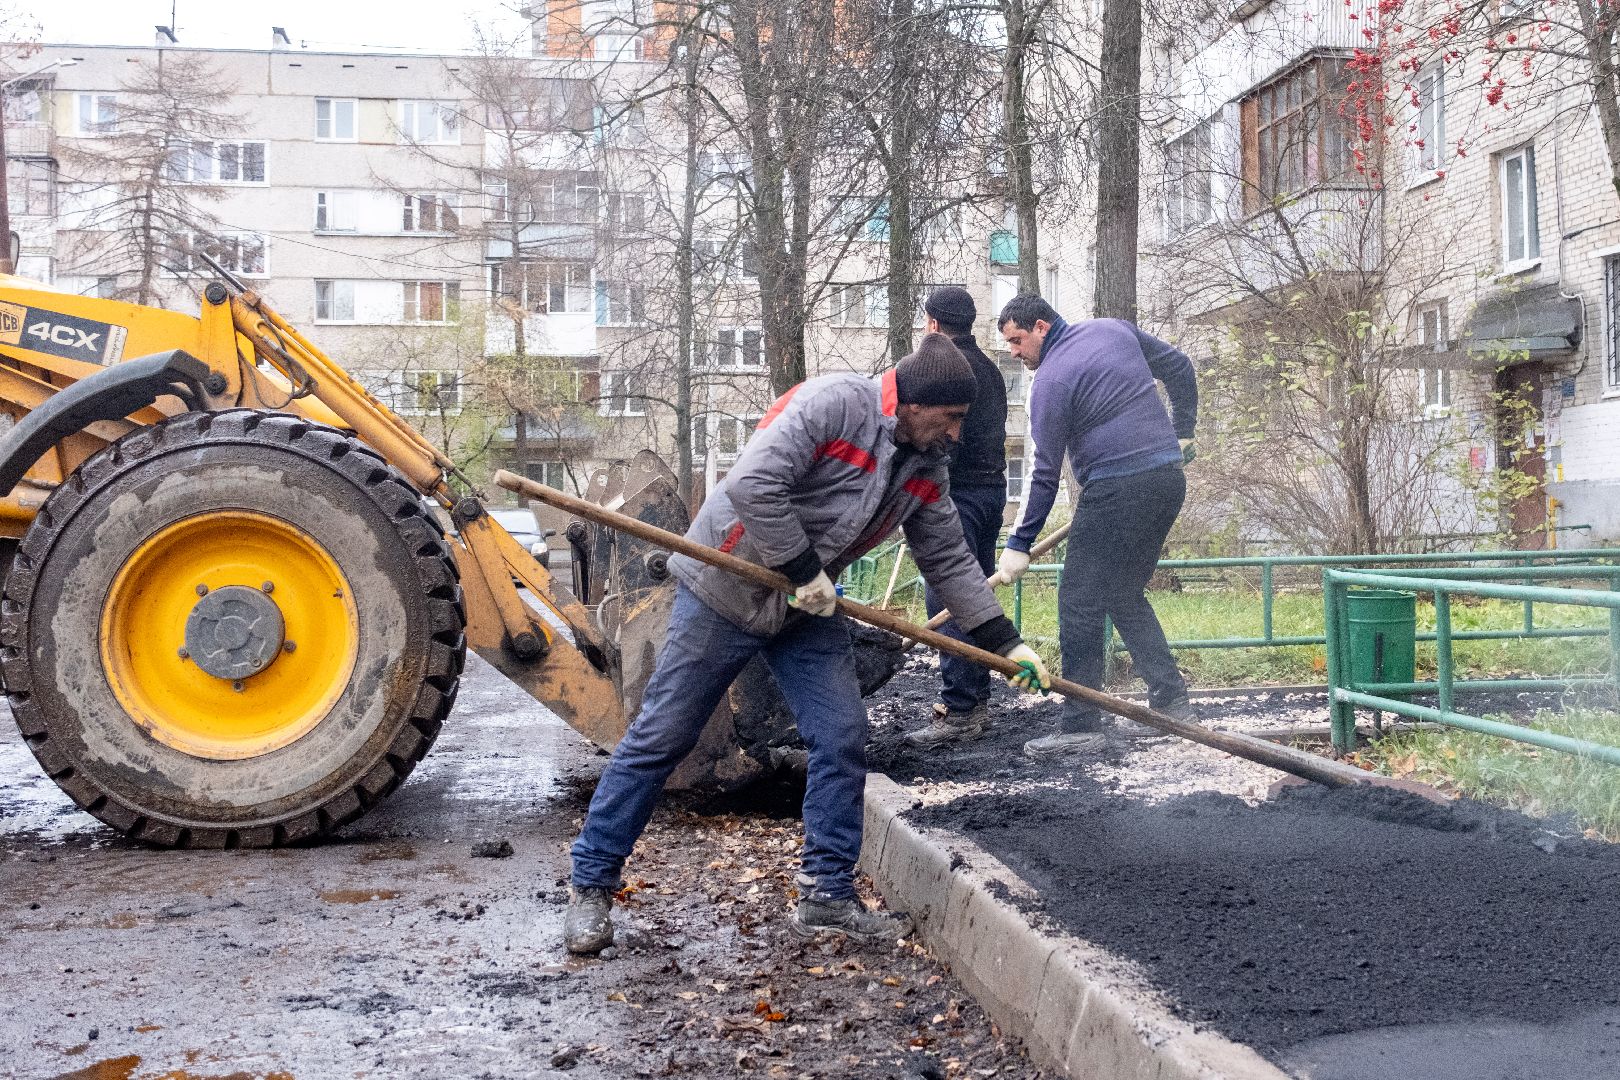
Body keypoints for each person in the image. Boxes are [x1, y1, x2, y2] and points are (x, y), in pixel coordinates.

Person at [564, 333, 1052, 955]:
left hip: (805, 607)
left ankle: (826, 893)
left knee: (842, 736)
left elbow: (950, 559)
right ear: (914, 401)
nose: (956, 433)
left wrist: (1007, 645)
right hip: (727, 585)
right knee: (662, 736)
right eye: (952, 418)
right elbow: (754, 486)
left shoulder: (925, 467)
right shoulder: (834, 405)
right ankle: (591, 886)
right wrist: (802, 570)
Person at [994, 294, 1198, 757]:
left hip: (1117, 490)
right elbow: (1181, 366)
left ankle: (1081, 722)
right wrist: (1183, 429)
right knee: (1122, 592)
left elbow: (1044, 471)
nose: (1014, 352)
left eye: (1017, 340)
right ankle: (1172, 703)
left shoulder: (1051, 381)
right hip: (1167, 481)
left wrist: (1018, 542)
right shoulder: (1113, 328)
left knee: (1079, 600)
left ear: (1041, 327)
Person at [903, 287, 1010, 749]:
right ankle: (976, 700)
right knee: (976, 591)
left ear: (932, 323)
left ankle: (961, 707)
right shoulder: (990, 367)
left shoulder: (947, 372)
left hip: (959, 495)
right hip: (992, 493)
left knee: (949, 596)